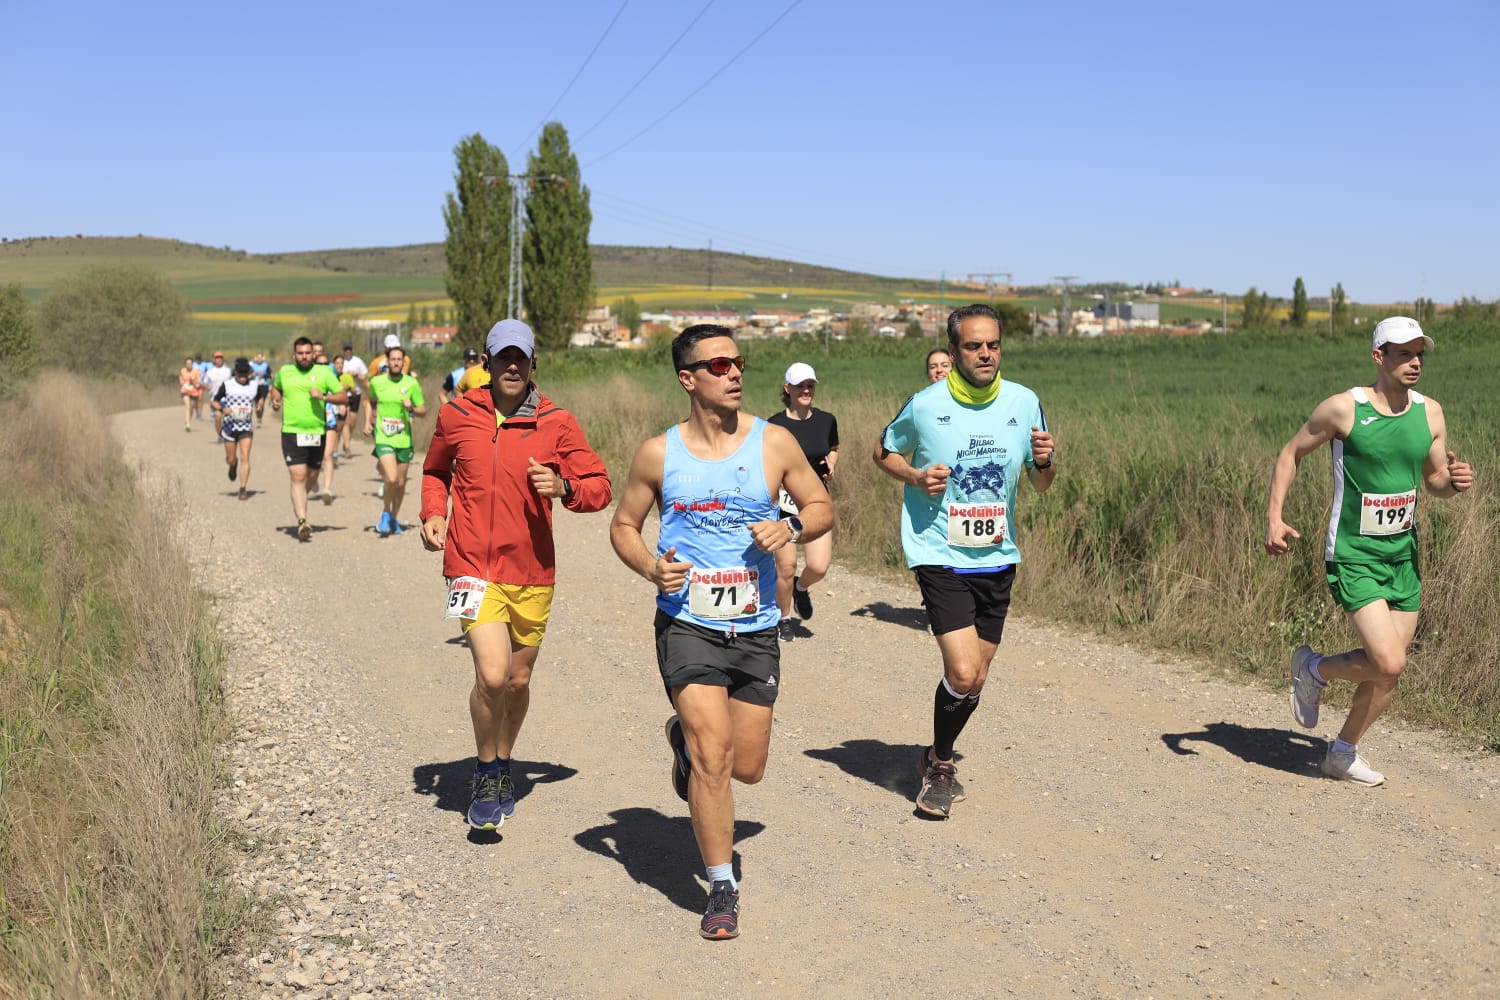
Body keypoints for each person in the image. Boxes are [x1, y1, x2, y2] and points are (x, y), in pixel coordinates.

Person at [610, 324, 833, 940]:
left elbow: (821, 507)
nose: (735, 373)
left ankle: (682, 748)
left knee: (748, 766)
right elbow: (624, 525)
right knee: (715, 756)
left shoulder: (775, 442)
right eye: (719, 365)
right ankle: (721, 887)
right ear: (688, 378)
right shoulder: (659, 453)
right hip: (688, 623)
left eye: (738, 362)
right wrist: (651, 566)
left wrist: (790, 528)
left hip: (757, 625)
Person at [420, 319, 611, 832]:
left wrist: (564, 485)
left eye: (520, 358)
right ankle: (484, 772)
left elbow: (600, 487)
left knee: (519, 680)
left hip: (531, 572)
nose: (511, 366)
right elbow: (435, 470)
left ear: (533, 365)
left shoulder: (557, 423)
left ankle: (504, 763)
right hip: (471, 567)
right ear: (485, 362)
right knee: (493, 675)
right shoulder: (457, 414)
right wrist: (432, 512)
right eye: (502, 357)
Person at [1265, 317, 1472, 786]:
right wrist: (1274, 518)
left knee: (1387, 672)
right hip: (1354, 553)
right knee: (1389, 661)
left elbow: (1435, 480)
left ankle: (1342, 752)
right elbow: (1289, 455)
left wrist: (1452, 484)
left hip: (1404, 555)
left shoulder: (1430, 413)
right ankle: (1313, 669)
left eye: (1419, 353)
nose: (1414, 362)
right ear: (1378, 357)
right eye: (1402, 353)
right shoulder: (1344, 410)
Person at [874, 303, 1056, 819]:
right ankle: (942, 767)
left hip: (997, 555)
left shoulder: (1025, 401)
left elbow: (1042, 482)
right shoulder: (926, 405)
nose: (985, 354)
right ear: (953, 353)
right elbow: (883, 451)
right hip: (938, 551)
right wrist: (914, 477)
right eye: (974, 346)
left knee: (976, 678)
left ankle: (934, 754)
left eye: (993, 345)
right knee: (963, 667)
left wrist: (1045, 462)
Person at [765, 362, 839, 639]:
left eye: (810, 385)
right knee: (785, 567)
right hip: (783, 506)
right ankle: (783, 618)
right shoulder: (773, 425)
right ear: (788, 389)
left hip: (815, 503)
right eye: (800, 386)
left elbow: (833, 448)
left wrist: (832, 463)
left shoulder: (826, 420)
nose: (806, 390)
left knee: (818, 566)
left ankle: (801, 588)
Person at [270, 336, 347, 542]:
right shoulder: (286, 372)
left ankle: (299, 500)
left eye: (307, 353)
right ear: (294, 354)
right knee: (298, 475)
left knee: (311, 476)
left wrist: (323, 397)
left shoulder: (324, 372)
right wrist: (275, 400)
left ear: (313, 353)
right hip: (292, 431)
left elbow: (343, 397)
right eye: (300, 353)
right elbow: (276, 388)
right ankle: (303, 521)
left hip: (317, 432)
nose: (304, 357)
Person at [366, 346, 427, 535]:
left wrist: (411, 408)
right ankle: (385, 513)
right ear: (387, 362)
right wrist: (368, 421)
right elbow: (368, 400)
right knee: (391, 478)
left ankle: (393, 517)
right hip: (383, 437)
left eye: (399, 359)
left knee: (401, 483)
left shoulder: (411, 383)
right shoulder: (377, 382)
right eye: (392, 359)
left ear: (404, 362)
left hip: (404, 439)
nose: (396, 362)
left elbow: (422, 410)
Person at [211, 358, 268, 500]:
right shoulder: (227, 385)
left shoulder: (254, 385)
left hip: (246, 427)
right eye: (240, 374)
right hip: (230, 426)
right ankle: (232, 465)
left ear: (249, 373)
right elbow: (214, 401)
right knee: (231, 458)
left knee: (245, 457)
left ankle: (243, 489)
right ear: (235, 372)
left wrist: (260, 405)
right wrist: (223, 409)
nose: (243, 377)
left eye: (245, 374)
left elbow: (260, 398)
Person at [339, 342, 368, 453]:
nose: (347, 351)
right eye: (345, 349)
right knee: (345, 421)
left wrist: (355, 375)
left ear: (352, 350)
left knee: (352, 422)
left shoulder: (358, 361)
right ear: (343, 350)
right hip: (344, 394)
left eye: (349, 349)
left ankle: (347, 439)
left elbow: (365, 377)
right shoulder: (340, 361)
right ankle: (347, 446)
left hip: (356, 393)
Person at [202, 351, 232, 437]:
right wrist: (208, 387)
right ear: (214, 360)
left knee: (226, 417)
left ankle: (227, 434)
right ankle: (220, 434)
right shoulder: (209, 372)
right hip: (215, 400)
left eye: (220, 358)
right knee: (218, 416)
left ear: (223, 359)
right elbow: (205, 383)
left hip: (227, 398)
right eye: (216, 358)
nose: (218, 359)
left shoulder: (228, 371)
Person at [178, 357, 202, 431]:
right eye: (187, 363)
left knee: (191, 408)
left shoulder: (196, 372)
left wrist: (195, 383)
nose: (189, 365)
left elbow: (199, 382)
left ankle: (188, 421)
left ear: (192, 364)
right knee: (187, 406)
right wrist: (181, 381)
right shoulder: (183, 370)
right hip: (184, 391)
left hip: (194, 392)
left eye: (190, 363)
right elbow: (180, 377)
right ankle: (188, 425)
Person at [249, 352, 272, 427]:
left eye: (260, 357)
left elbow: (269, 377)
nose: (259, 359)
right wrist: (252, 375)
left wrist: (264, 374)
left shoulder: (266, 366)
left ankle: (259, 417)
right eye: (257, 357)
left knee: (261, 402)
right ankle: (259, 418)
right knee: (256, 403)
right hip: (255, 386)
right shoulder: (252, 366)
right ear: (255, 358)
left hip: (264, 385)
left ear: (263, 358)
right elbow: (248, 376)